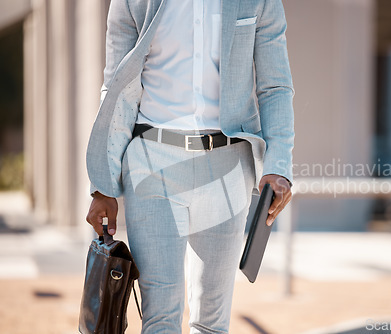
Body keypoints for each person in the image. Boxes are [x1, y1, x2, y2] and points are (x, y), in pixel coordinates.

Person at [85, 0, 294, 332]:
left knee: (212, 320)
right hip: (151, 164)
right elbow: (115, 88)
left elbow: (275, 87)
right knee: (161, 314)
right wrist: (103, 185)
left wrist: (278, 164)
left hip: (228, 164)